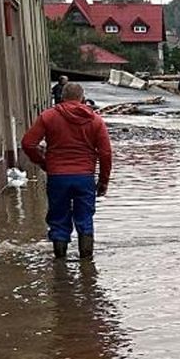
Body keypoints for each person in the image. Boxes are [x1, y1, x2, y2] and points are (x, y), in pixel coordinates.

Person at [21, 83, 113, 260]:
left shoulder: (48, 117)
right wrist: (103, 181)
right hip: (85, 177)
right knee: (85, 219)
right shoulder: (95, 120)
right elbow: (106, 153)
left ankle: (60, 263)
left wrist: (43, 163)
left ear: (62, 97)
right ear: (82, 98)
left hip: (57, 176)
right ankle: (87, 265)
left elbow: (28, 143)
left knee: (58, 219)